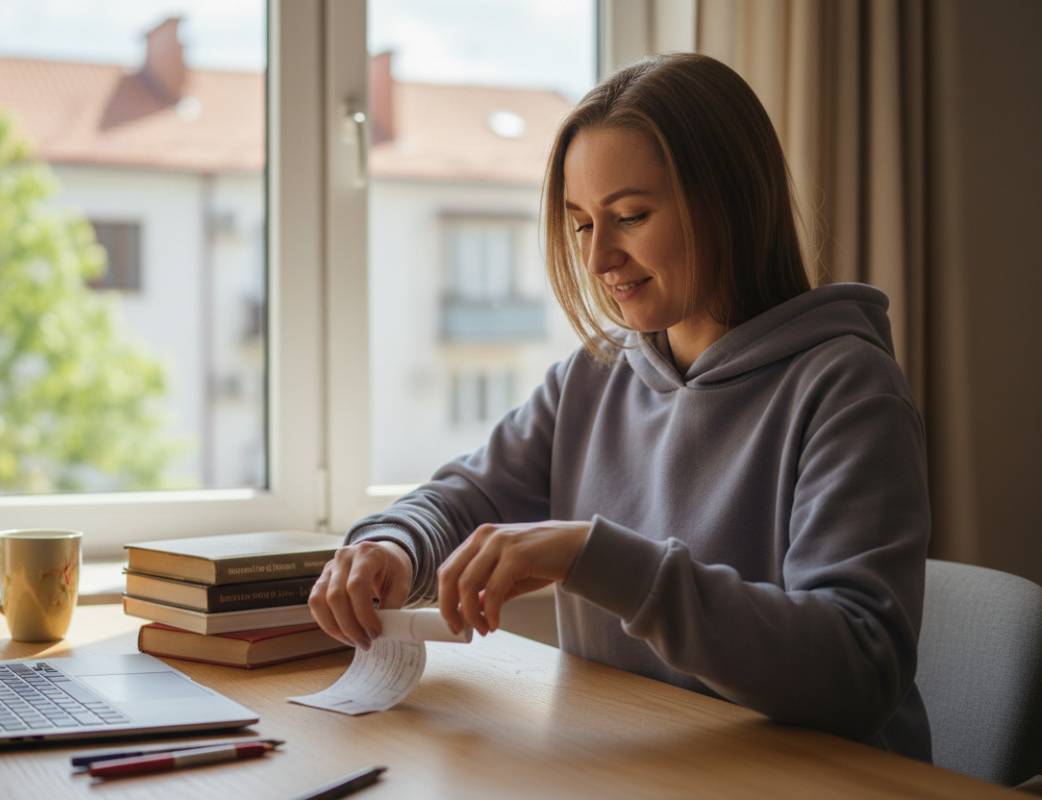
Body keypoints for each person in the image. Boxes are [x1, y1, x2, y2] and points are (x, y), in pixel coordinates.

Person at [308, 52, 931, 761]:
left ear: (729, 201)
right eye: (581, 224)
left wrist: (595, 557)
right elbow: (464, 499)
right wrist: (391, 546)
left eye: (631, 216)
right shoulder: (594, 377)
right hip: (649, 765)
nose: (600, 258)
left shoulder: (847, 388)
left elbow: (858, 671)